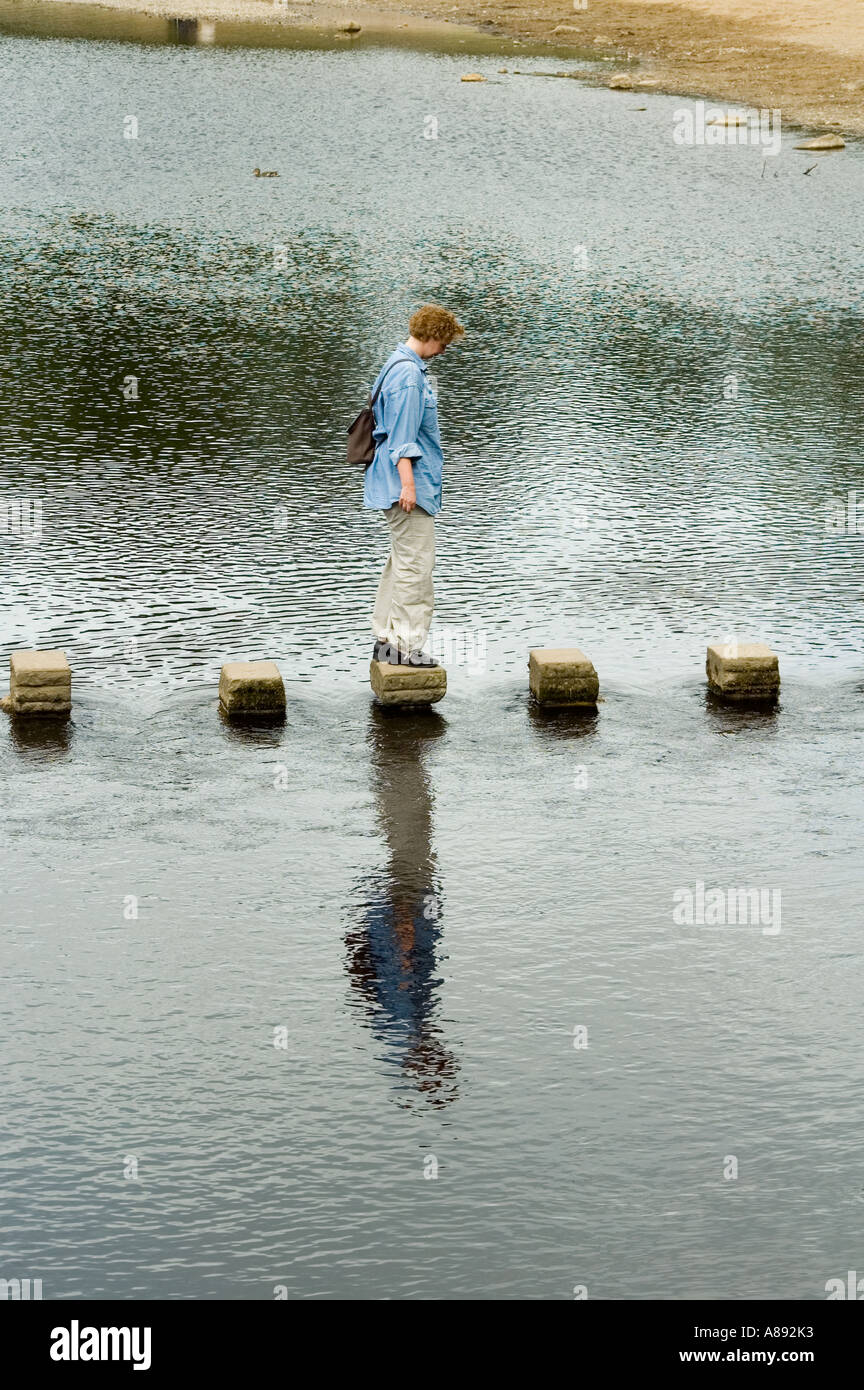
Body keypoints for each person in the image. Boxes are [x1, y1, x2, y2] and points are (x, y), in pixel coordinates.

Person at [364, 304, 465, 667]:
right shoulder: (409, 376)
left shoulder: (396, 362)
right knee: (416, 566)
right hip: (407, 487)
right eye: (445, 342)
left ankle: (385, 640)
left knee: (401, 562)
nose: (445, 350)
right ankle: (405, 648)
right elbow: (402, 439)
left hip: (394, 483)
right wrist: (409, 486)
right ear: (433, 335)